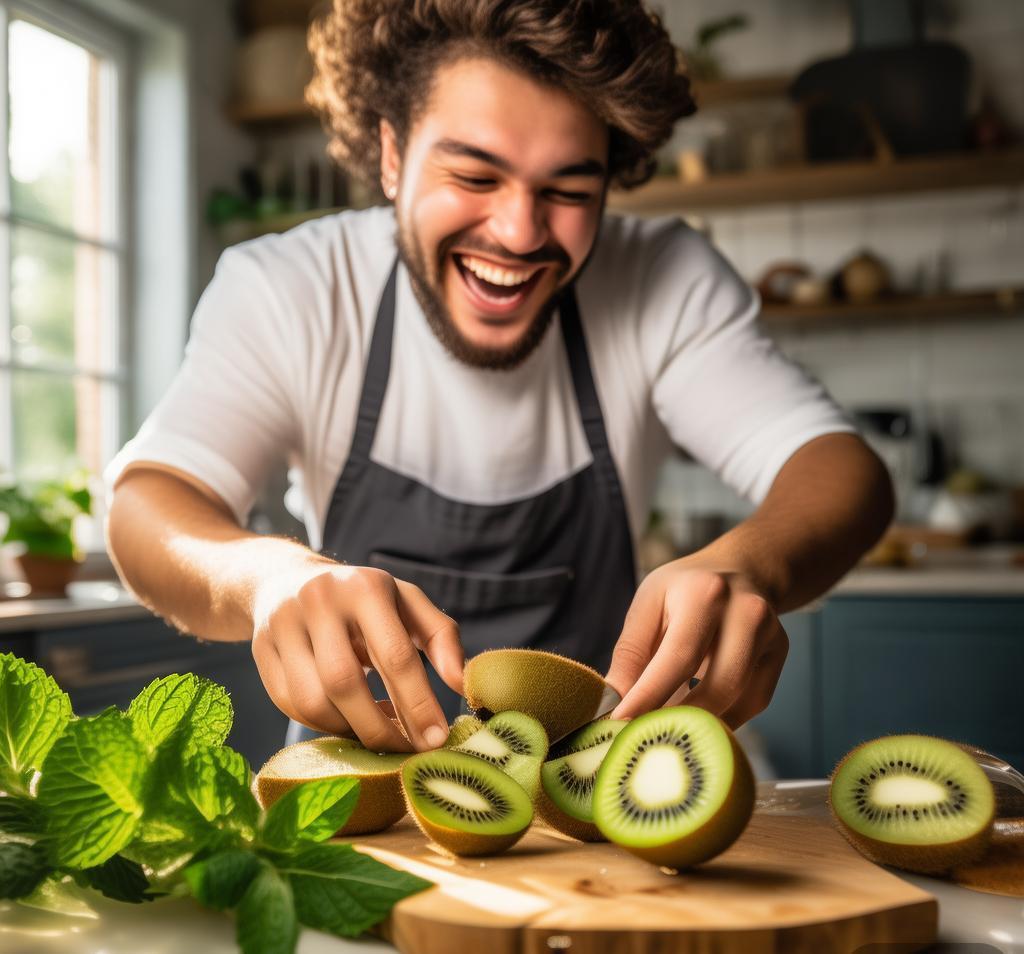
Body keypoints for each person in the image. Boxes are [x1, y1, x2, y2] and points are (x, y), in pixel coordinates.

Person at [106, 0, 893, 755]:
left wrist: (750, 563)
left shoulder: (664, 279)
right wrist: (267, 578)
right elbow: (149, 507)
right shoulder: (291, 288)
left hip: (590, 807)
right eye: (475, 178)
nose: (519, 233)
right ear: (391, 156)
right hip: (361, 811)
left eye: (568, 191)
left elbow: (840, 470)